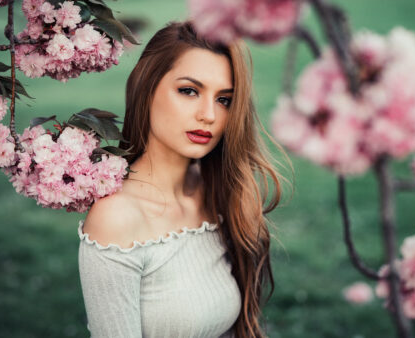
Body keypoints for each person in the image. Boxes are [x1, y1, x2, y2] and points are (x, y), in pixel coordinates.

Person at [77, 21, 292, 338]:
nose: (209, 115)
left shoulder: (214, 190)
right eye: (189, 91)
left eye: (224, 100)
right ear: (147, 88)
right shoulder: (117, 218)